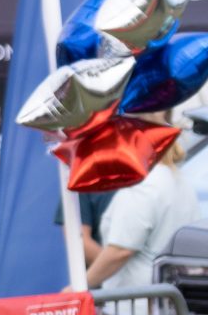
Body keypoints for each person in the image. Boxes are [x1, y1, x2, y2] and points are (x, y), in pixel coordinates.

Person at [85, 123, 198, 292]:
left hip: (135, 305)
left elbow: (120, 250)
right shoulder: (180, 181)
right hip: (170, 296)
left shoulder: (142, 186)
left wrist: (78, 287)